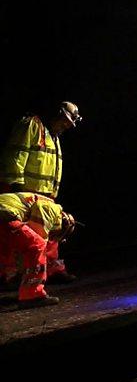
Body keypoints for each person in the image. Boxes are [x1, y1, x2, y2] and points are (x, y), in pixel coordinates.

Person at [1, 101, 82, 282]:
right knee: (27, 235)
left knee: (49, 233)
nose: (66, 126)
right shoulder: (31, 125)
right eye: (65, 121)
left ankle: (50, 269)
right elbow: (16, 155)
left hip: (45, 194)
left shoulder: (53, 135)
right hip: (26, 192)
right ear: (57, 114)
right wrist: (15, 185)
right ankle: (14, 273)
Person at [0, 192, 74, 308]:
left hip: (4, 214)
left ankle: (3, 280)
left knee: (5, 248)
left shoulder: (36, 201)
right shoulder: (53, 209)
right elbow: (36, 238)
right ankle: (32, 295)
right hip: (5, 215)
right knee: (37, 245)